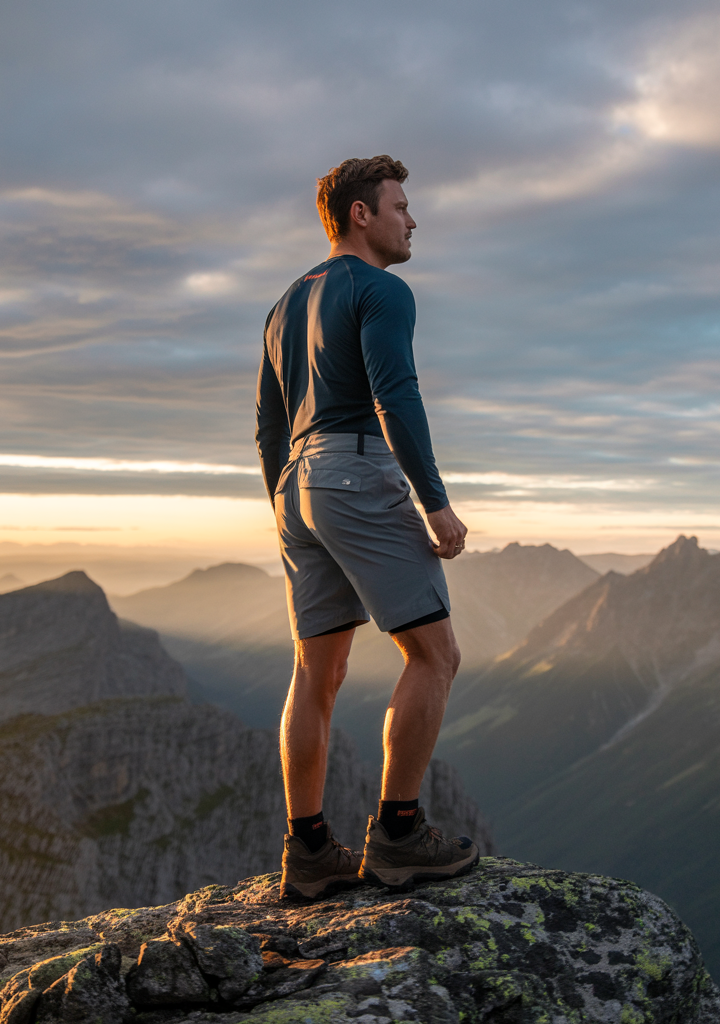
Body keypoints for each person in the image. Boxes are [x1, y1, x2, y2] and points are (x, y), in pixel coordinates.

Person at [256, 155, 479, 899]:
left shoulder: (286, 303)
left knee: (315, 673)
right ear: (361, 214)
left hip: (297, 482)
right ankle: (400, 835)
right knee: (436, 654)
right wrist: (434, 501)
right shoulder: (382, 289)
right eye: (401, 206)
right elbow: (396, 394)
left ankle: (310, 851)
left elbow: (267, 424)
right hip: (355, 466)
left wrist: (289, 505)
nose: (413, 220)